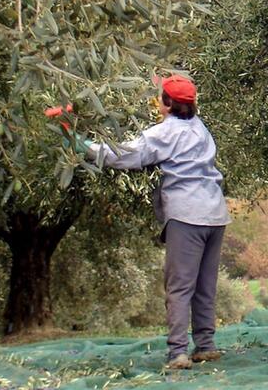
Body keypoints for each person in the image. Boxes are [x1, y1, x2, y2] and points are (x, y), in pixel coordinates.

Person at [83, 75, 231, 369]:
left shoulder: (165, 132)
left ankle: (177, 352)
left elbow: (124, 155)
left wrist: (84, 145)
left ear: (166, 104)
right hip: (215, 213)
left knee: (179, 287)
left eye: (159, 96)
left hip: (187, 215)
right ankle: (206, 345)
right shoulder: (201, 129)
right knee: (204, 285)